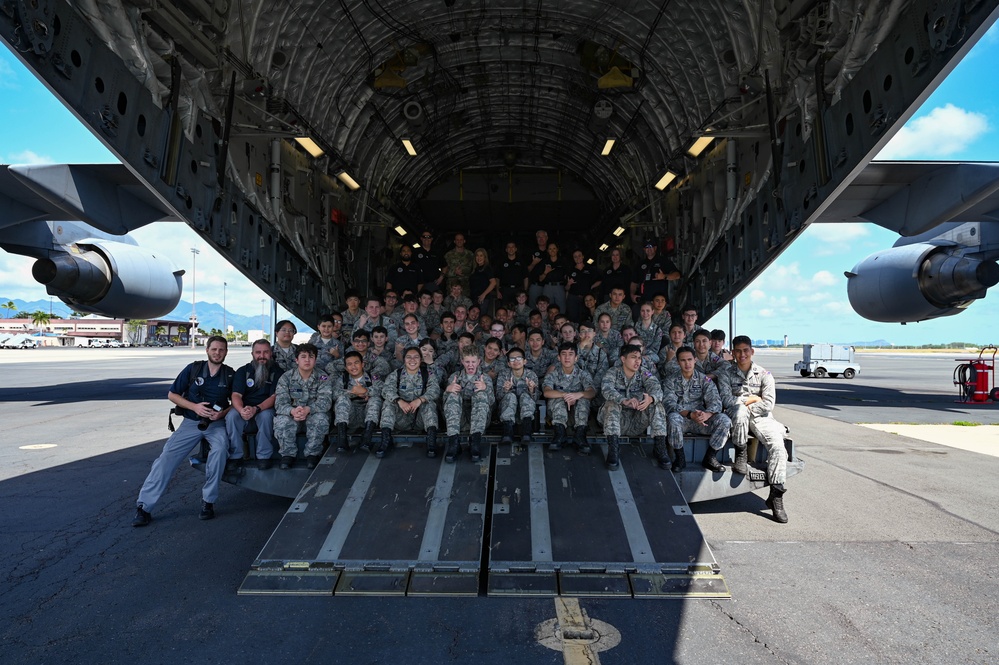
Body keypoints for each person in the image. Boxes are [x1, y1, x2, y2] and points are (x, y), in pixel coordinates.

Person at [132, 336, 235, 526]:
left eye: (221, 350)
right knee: (166, 458)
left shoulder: (229, 375)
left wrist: (222, 414)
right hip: (191, 421)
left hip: (215, 424)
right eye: (214, 349)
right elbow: (172, 394)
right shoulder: (193, 369)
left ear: (226, 352)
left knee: (220, 451)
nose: (217, 353)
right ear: (207, 350)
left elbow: (235, 402)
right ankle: (144, 507)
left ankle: (208, 502)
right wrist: (194, 407)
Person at [725, 336, 790, 523]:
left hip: (762, 417)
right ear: (733, 353)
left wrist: (749, 405)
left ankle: (776, 496)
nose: (742, 354)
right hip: (738, 417)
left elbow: (768, 403)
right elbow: (725, 399)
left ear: (752, 351)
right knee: (739, 412)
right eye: (738, 351)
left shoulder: (764, 374)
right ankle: (741, 453)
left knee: (778, 447)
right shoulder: (726, 374)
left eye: (746, 350)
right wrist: (753, 399)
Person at [597, 343, 667, 471]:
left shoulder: (644, 373)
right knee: (612, 403)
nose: (637, 361)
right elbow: (606, 390)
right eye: (633, 357)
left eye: (639, 358)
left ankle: (660, 447)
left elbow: (657, 388)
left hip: (636, 422)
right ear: (623, 359)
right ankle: (613, 449)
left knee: (656, 404)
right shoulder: (613, 372)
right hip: (616, 422)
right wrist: (624, 400)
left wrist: (650, 399)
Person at [662, 346, 731, 473]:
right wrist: (689, 414)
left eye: (689, 359)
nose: (687, 363)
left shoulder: (704, 379)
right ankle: (680, 458)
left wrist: (707, 414)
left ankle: (711, 457)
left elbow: (715, 401)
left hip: (701, 421)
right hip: (683, 419)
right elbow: (669, 404)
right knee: (672, 418)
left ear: (695, 360)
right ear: (678, 362)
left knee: (724, 420)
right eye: (683, 360)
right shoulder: (670, 380)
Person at [226, 339, 283, 470]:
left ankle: (264, 456)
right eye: (258, 352)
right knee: (232, 416)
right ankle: (236, 456)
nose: (261, 356)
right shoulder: (243, 371)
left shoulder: (277, 372)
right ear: (252, 354)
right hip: (245, 407)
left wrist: (257, 409)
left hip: (265, 408)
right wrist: (241, 410)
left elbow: (275, 396)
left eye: (265, 352)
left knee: (266, 417)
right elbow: (236, 395)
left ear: (271, 353)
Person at [273, 343, 333, 470]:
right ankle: (287, 455)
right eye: (303, 356)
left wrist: (309, 409)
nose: (307, 360)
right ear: (296, 360)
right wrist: (292, 411)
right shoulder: (286, 377)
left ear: (315, 360)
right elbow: (280, 403)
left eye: (311, 357)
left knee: (321, 419)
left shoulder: (322, 377)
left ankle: (313, 454)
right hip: (294, 415)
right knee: (281, 421)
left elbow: (326, 401)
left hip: (313, 413)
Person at [379, 347, 441, 458]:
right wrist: (399, 401)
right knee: (388, 403)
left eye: (416, 357)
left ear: (421, 359)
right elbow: (386, 390)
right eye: (409, 357)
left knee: (429, 404)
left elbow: (435, 390)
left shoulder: (428, 374)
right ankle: (385, 441)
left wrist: (420, 400)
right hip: (401, 418)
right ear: (404, 360)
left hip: (420, 419)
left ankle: (431, 442)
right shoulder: (396, 374)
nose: (412, 360)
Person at [442, 344, 495, 463]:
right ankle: (454, 444)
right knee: (452, 395)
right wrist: (448, 390)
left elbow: (492, 403)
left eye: (473, 362)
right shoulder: (455, 377)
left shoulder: (484, 378)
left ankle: (475, 443)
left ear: (479, 362)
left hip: (478, 423)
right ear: (462, 361)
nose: (470, 365)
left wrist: (485, 388)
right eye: (467, 362)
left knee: (480, 394)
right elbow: (445, 404)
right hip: (458, 422)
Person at [543, 343, 597, 453]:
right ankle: (560, 434)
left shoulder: (583, 374)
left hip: (577, 416)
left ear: (576, 358)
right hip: (557, 416)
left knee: (583, 400)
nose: (567, 357)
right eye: (563, 354)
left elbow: (592, 392)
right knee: (557, 398)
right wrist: (565, 395)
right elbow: (546, 392)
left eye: (571, 354)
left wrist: (579, 394)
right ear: (559, 357)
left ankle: (580, 436)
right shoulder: (553, 374)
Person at [332, 351, 384, 455]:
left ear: (362, 364)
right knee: (342, 399)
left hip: (368, 417)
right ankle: (342, 440)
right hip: (350, 418)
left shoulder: (372, 377)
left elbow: (383, 390)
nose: (353, 366)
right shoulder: (342, 379)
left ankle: (367, 439)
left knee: (375, 399)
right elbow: (334, 394)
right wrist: (354, 392)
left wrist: (365, 391)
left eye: (356, 363)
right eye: (349, 364)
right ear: (346, 368)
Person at [496, 346, 539, 444]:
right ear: (508, 363)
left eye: (519, 358)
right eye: (512, 359)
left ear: (524, 361)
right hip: (507, 415)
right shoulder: (504, 375)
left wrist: (532, 390)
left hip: (526, 415)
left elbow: (536, 399)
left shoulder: (531, 375)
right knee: (510, 396)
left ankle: (526, 433)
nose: (516, 361)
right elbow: (498, 397)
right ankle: (507, 433)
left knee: (525, 396)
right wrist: (505, 390)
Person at [630, 239, 680, 307]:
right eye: (647, 247)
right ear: (644, 249)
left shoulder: (663, 261)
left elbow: (677, 275)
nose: (649, 249)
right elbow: (634, 282)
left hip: (660, 302)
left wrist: (664, 276)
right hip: (644, 302)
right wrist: (632, 295)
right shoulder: (640, 264)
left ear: (655, 248)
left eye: (651, 246)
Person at [565, 249, 595, 323]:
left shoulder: (589, 269)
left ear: (583, 257)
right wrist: (569, 284)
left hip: (585, 298)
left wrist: (592, 286)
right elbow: (566, 288)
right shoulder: (570, 270)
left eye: (579, 256)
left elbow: (600, 280)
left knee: (585, 318)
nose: (577, 258)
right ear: (573, 258)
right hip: (573, 298)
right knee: (572, 318)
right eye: (575, 257)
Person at [538, 242, 567, 312]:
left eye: (554, 248)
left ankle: (561, 322)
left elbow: (566, 276)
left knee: (561, 308)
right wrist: (545, 272)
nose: (552, 250)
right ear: (547, 250)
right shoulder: (544, 262)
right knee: (546, 308)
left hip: (559, 287)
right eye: (550, 249)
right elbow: (540, 279)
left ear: (557, 249)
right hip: (548, 287)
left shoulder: (563, 261)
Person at [469, 248, 498, 316]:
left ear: (485, 257)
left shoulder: (487, 268)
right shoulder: (474, 269)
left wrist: (483, 295)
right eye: (477, 255)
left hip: (483, 299)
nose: (479, 258)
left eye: (481, 255)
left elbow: (493, 282)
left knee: (481, 317)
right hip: (473, 297)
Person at [526, 229, 550, 305]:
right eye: (539, 237)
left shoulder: (551, 251)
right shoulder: (531, 252)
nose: (541, 239)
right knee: (534, 308)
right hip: (535, 285)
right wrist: (533, 263)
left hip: (549, 286)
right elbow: (526, 271)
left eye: (543, 237)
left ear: (547, 238)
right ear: (536, 239)